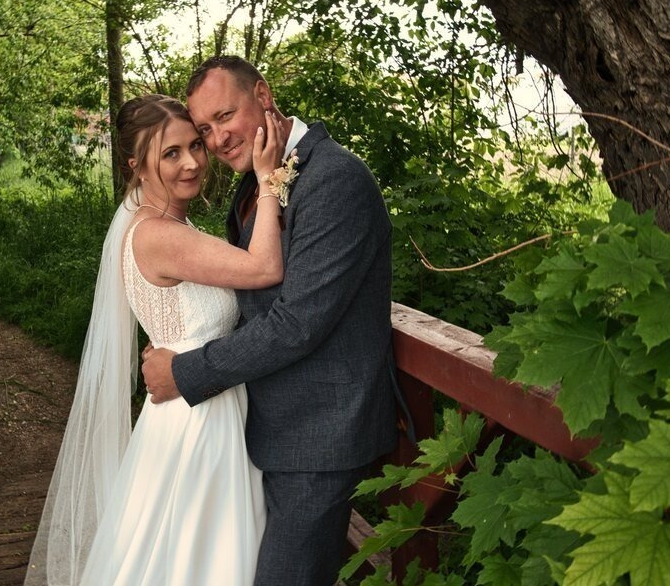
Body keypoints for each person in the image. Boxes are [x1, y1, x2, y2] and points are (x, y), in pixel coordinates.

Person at [143, 56, 400, 586]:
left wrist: (186, 371)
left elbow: (296, 323)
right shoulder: (259, 180)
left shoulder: (334, 180)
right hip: (265, 428)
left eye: (224, 116)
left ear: (262, 95)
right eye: (205, 129)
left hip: (320, 436)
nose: (217, 140)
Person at [25, 93, 287, 585]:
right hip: (198, 422)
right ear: (136, 165)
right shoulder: (157, 235)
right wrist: (268, 179)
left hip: (198, 404)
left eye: (195, 145)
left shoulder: (165, 225)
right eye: (171, 153)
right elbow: (264, 267)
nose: (192, 163)